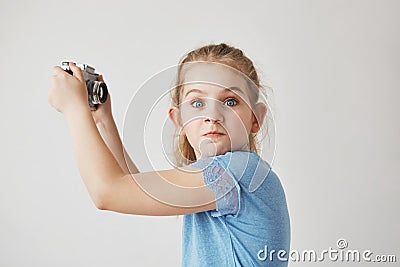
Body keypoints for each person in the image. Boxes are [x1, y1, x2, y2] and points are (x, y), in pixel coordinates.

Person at [48, 43, 291, 266]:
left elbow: (107, 192)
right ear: (178, 120)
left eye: (230, 101)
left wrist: (74, 108)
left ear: (256, 118)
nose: (213, 115)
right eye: (197, 103)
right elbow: (135, 188)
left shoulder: (237, 172)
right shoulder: (233, 177)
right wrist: (103, 120)